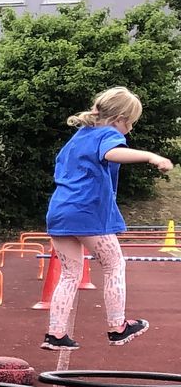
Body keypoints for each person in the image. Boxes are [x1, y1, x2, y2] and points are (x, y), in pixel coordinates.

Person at [41, 86, 172, 350]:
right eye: (130, 123)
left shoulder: (79, 136)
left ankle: (55, 334)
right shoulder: (107, 134)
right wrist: (151, 156)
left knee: (69, 274)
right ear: (119, 119)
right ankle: (117, 327)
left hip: (60, 211)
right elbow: (112, 153)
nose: (130, 130)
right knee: (114, 265)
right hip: (87, 211)